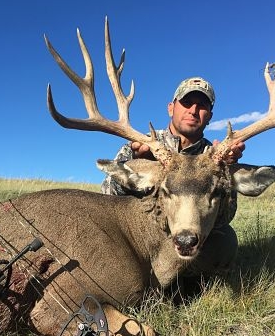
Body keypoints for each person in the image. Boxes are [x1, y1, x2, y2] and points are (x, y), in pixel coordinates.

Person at [101, 77, 245, 283]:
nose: (193, 111)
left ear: (210, 116)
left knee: (226, 240)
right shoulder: (144, 145)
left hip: (194, 236)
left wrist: (224, 171)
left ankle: (191, 287)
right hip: (140, 236)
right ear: (171, 108)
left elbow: (225, 218)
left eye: (202, 106)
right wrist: (139, 163)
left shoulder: (212, 156)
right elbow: (108, 196)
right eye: (186, 103)